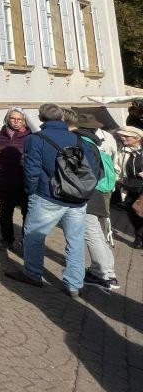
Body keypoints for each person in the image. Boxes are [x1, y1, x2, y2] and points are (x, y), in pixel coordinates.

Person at [6, 103, 101, 297]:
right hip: (77, 199)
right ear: (61, 118)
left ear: (41, 119)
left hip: (48, 195)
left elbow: (31, 169)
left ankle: (33, 274)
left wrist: (31, 192)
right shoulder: (79, 139)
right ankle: (74, 284)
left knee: (34, 235)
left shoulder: (35, 139)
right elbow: (94, 170)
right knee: (75, 241)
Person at [70, 112, 120, 291]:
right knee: (97, 233)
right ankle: (108, 271)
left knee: (91, 234)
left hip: (88, 193)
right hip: (97, 192)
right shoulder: (96, 143)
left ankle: (102, 273)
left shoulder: (84, 144)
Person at [0, 108, 30, 252]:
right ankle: (7, 239)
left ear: (24, 120)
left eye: (19, 119)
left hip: (23, 178)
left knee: (27, 212)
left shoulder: (30, 136)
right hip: (4, 177)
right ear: (8, 119)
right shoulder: (0, 134)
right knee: (5, 211)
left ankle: (26, 242)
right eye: (13, 118)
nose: (16, 122)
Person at [114, 126, 143, 248]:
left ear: (137, 138)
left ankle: (140, 237)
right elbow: (117, 167)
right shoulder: (122, 150)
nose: (123, 138)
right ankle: (138, 235)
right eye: (122, 135)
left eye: (126, 136)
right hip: (128, 186)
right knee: (132, 213)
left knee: (140, 211)